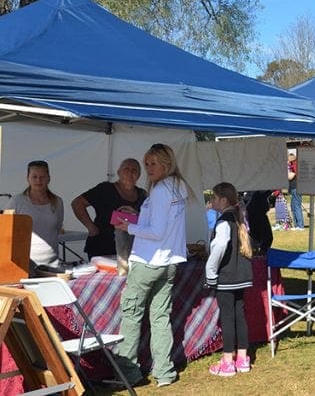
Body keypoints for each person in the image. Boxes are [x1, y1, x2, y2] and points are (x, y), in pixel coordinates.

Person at [112, 143, 189, 388]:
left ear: (166, 163)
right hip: (169, 261)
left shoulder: (160, 190)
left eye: (153, 163)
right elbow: (162, 223)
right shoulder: (178, 186)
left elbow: (156, 231)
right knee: (160, 316)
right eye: (147, 164)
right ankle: (164, 371)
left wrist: (128, 227)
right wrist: (137, 217)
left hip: (149, 261)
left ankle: (128, 373)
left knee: (131, 315)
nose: (148, 168)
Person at [206, 182, 253, 377]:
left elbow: (219, 246)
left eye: (214, 197)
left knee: (227, 318)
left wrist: (210, 271)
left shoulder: (224, 221)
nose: (212, 201)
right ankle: (242, 358)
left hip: (227, 276)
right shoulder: (239, 218)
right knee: (239, 315)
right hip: (241, 275)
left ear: (223, 200)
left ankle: (227, 361)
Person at [71, 158, 147, 262]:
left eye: (134, 170)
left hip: (132, 248)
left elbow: (147, 219)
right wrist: (91, 227)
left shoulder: (143, 194)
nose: (130, 173)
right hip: (102, 246)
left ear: (139, 175)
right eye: (126, 169)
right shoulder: (105, 189)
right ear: (119, 172)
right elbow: (77, 203)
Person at [7, 160, 64, 270]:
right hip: (23, 263)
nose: (38, 180)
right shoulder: (16, 201)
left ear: (49, 178)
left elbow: (57, 228)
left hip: (52, 263)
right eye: (34, 177)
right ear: (28, 178)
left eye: (42, 177)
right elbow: (6, 231)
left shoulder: (57, 202)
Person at [245, 190, 274, 257]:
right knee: (261, 237)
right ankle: (259, 254)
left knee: (261, 238)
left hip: (258, 211)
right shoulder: (257, 192)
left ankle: (260, 253)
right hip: (255, 211)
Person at [287, 152, 304, 230]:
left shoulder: (295, 165)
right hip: (293, 188)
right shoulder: (292, 165)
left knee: (296, 206)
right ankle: (296, 225)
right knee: (293, 206)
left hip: (296, 187)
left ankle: (300, 225)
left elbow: (290, 176)